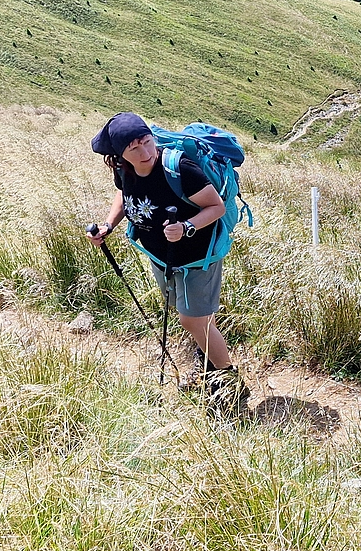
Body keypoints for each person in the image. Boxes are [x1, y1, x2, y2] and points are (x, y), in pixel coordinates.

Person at [87, 112, 249, 417]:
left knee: (192, 320)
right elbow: (124, 194)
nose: (145, 153)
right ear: (119, 154)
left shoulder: (180, 169)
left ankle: (230, 384)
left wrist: (186, 227)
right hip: (161, 258)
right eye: (134, 149)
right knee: (198, 318)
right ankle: (210, 363)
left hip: (197, 258)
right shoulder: (125, 170)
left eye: (147, 142)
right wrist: (109, 225)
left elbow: (214, 207)